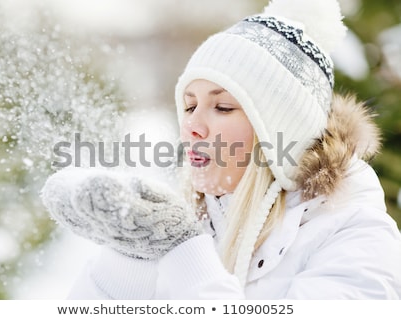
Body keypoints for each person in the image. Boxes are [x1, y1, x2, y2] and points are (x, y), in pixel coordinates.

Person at [41, 0, 401, 299]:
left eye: (223, 107)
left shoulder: (357, 239)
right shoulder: (198, 220)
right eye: (189, 105)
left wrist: (185, 252)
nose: (193, 126)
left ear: (281, 131)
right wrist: (129, 259)